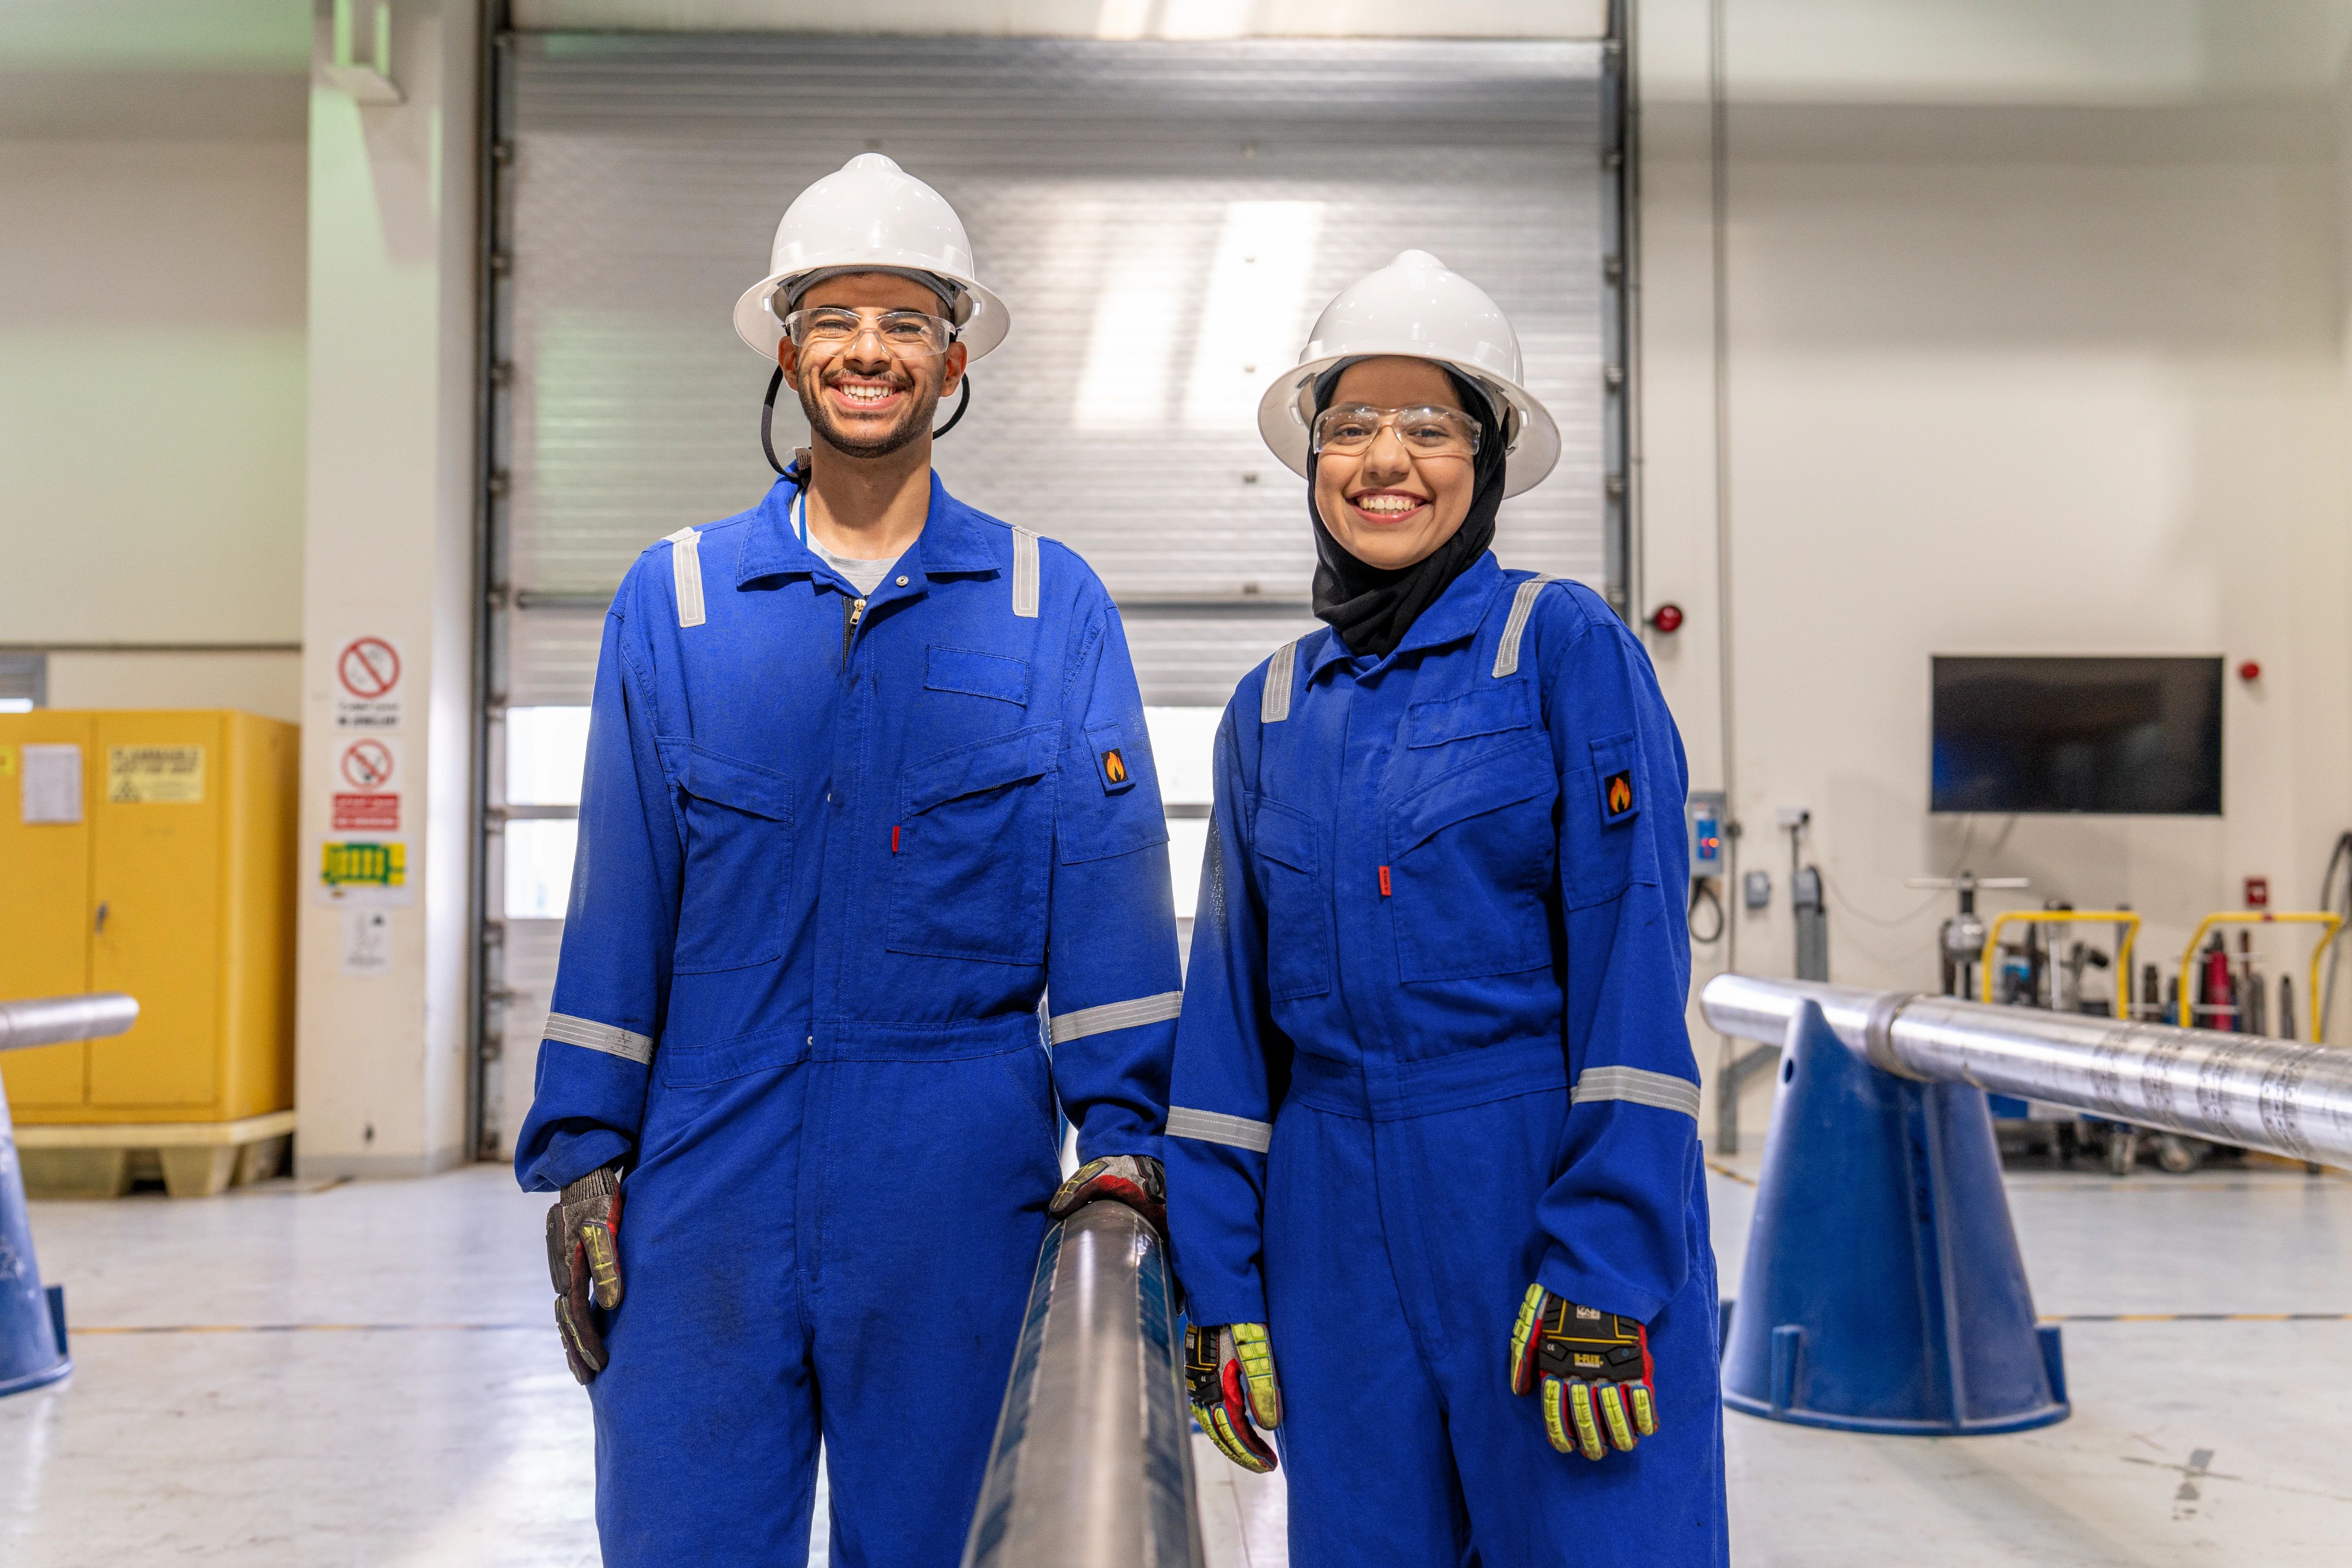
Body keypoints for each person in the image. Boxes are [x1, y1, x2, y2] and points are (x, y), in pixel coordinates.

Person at [515, 153, 1182, 1567]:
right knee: (683, 1543)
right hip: (704, 1184)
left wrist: (1129, 1142)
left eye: (904, 323)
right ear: (786, 348)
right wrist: (584, 1156)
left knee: (942, 1545)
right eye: (834, 319)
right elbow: (618, 905)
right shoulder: (678, 602)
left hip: (957, 1186)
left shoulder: (1047, 604)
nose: (867, 351)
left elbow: (1112, 902)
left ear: (953, 360)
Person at [1165, 250, 1727, 1567]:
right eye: (1351, 425)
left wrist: (1605, 1257)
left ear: (1489, 456)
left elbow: (1636, 979)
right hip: (1331, 1226)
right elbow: (1229, 1025)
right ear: (1312, 459)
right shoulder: (1271, 707)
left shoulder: (1564, 649)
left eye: (1429, 426)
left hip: (1532, 1190)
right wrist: (1222, 1278)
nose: (1386, 460)